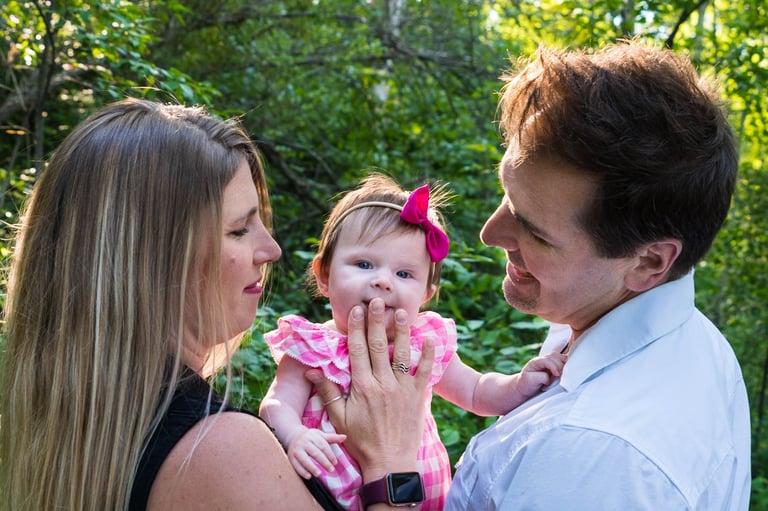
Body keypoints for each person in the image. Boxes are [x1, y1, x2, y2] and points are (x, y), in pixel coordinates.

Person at [0, 98, 438, 511]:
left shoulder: (49, 422)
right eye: (239, 230)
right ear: (157, 261)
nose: (272, 249)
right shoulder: (218, 450)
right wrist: (390, 464)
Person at [440, 41, 752, 509]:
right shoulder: (665, 332)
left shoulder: (596, 457)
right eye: (508, 196)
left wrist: (389, 471)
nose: (490, 233)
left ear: (647, 263)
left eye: (536, 232)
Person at [258, 173, 564, 510]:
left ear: (426, 295)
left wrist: (519, 384)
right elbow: (276, 405)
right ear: (324, 275)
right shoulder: (313, 347)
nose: (383, 281)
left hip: (418, 497)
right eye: (364, 264)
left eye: (404, 274)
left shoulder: (423, 344)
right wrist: (295, 435)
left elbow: (476, 391)